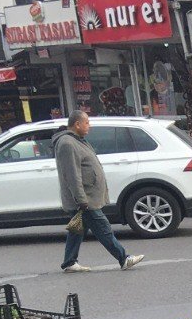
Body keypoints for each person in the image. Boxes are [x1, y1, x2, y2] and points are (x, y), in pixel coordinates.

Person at [55, 111, 144, 274]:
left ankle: (69, 262)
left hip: (87, 196)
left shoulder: (77, 140)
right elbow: (72, 175)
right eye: (87, 122)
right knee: (103, 229)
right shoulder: (67, 143)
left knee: (77, 230)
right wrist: (81, 199)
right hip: (84, 199)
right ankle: (124, 258)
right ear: (77, 124)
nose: (90, 126)